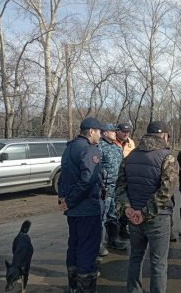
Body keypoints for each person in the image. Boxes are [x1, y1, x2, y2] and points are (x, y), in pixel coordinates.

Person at [115, 121, 179, 293]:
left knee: (135, 256)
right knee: (158, 262)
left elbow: (120, 188)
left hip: (133, 216)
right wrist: (145, 213)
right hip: (157, 217)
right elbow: (166, 191)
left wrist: (127, 209)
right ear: (164, 136)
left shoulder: (129, 157)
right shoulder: (168, 157)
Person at [58, 117, 106, 293]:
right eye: (99, 132)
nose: (100, 136)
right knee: (88, 248)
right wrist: (68, 201)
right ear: (91, 131)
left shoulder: (69, 148)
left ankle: (73, 286)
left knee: (75, 246)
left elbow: (62, 177)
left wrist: (63, 198)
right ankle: (85, 288)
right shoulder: (89, 149)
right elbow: (89, 179)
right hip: (86, 208)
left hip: (73, 210)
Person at [98, 124, 127, 251]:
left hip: (116, 186)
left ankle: (113, 239)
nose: (116, 133)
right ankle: (97, 244)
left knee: (114, 214)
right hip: (104, 187)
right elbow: (96, 167)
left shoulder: (117, 147)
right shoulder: (99, 147)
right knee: (101, 215)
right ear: (105, 133)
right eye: (112, 131)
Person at [115, 122, 136, 239]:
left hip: (126, 177)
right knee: (113, 208)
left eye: (128, 131)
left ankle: (123, 228)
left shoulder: (131, 143)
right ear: (117, 131)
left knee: (125, 204)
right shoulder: (112, 142)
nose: (126, 133)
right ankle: (112, 233)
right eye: (124, 131)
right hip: (113, 178)